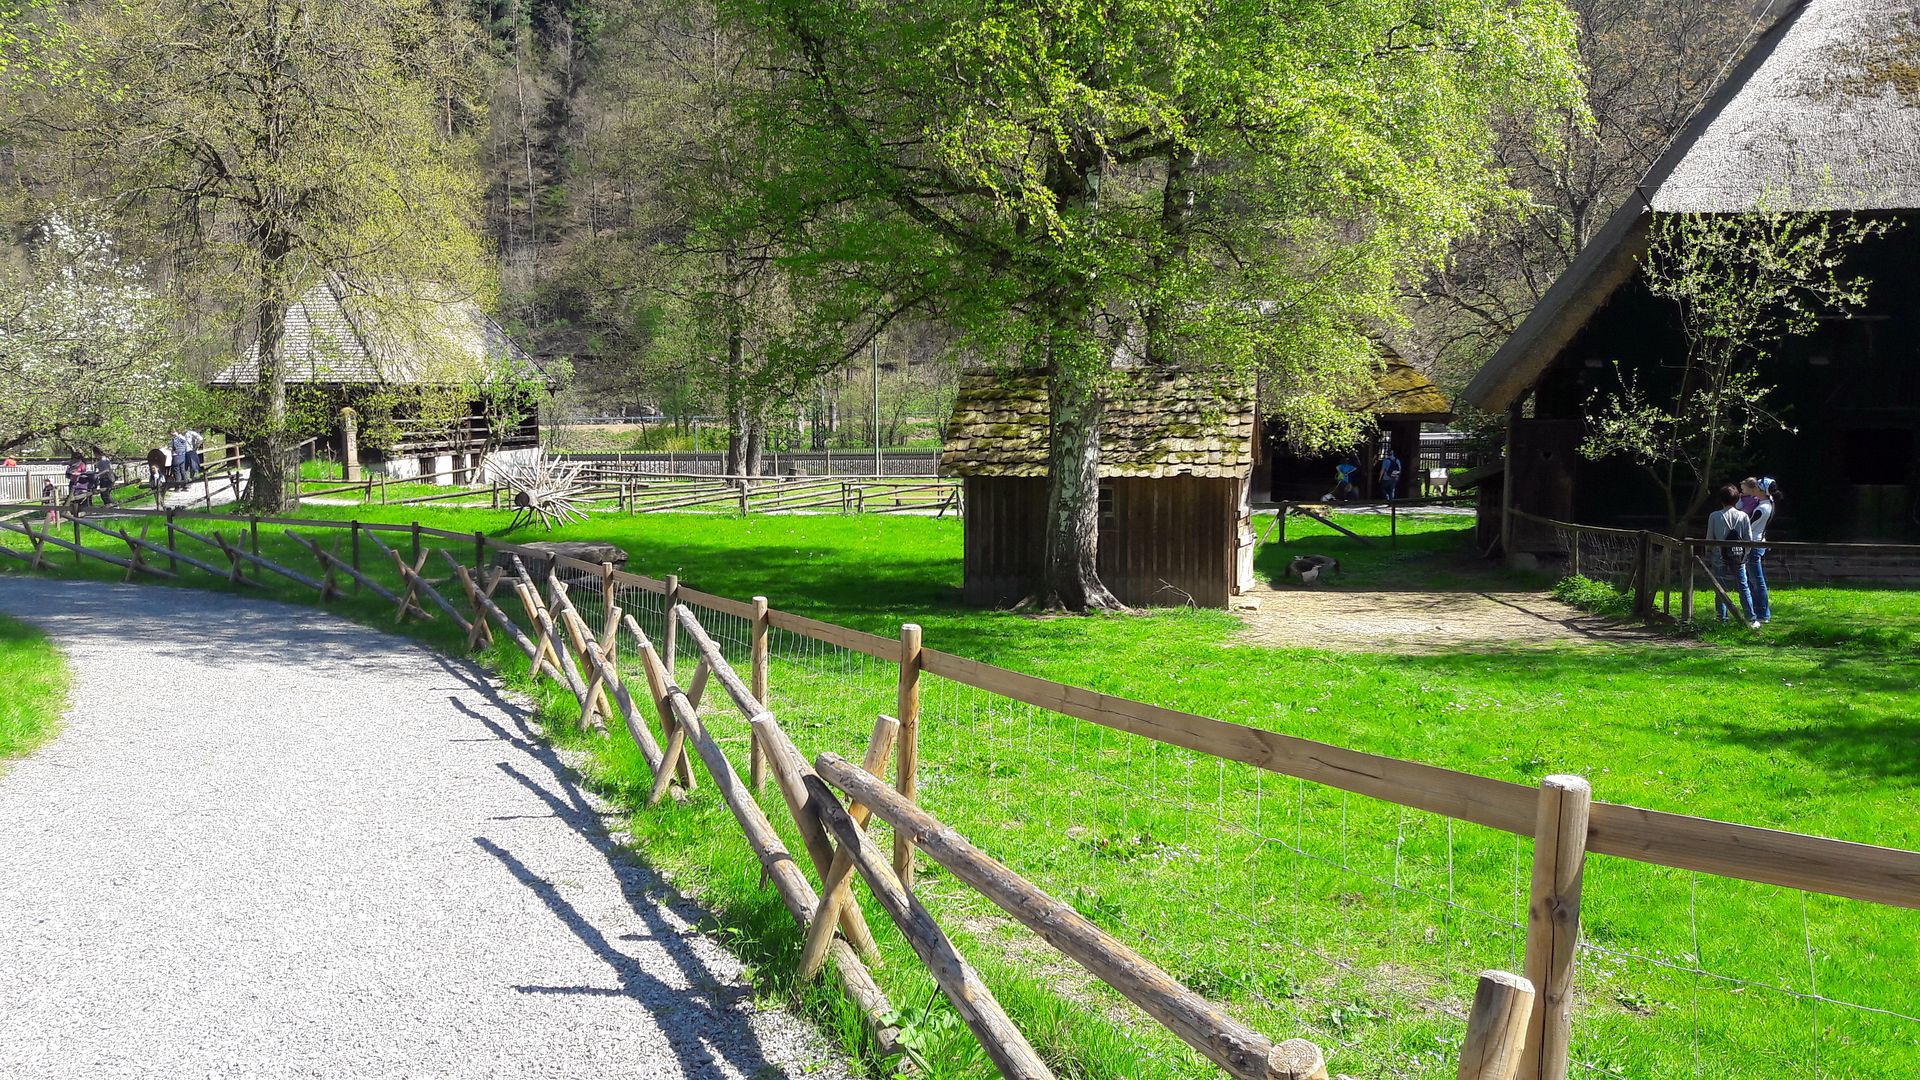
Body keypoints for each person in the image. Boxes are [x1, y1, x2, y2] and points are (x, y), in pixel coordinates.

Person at [1705, 483, 1757, 627]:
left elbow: (1709, 538)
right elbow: (1749, 540)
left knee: (1720, 587)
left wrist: (1709, 552)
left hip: (1719, 556)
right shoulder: (1744, 516)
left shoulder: (1714, 516)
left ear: (1720, 499)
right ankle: (1750, 618)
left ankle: (1722, 619)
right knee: (1743, 586)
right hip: (1738, 555)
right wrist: (1744, 554)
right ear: (1737, 499)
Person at [1743, 477, 1779, 625]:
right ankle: (1759, 611)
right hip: (1758, 543)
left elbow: (1748, 525)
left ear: (1763, 491)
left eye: (1757, 487)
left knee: (1757, 580)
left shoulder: (1762, 508)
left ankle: (1763, 613)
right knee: (1755, 580)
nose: (1754, 489)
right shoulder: (1767, 503)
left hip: (1755, 545)